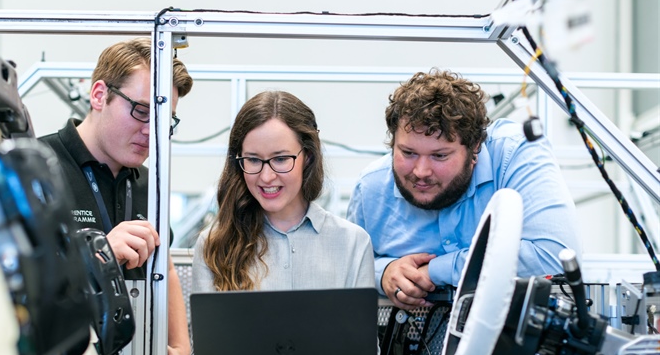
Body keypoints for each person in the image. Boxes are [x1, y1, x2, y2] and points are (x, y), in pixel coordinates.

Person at [347, 68, 581, 309]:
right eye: (408, 153)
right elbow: (348, 268)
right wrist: (384, 272)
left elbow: (554, 256)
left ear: (475, 146)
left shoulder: (515, 154)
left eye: (439, 156)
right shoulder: (371, 189)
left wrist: (434, 271)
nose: (421, 171)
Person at [40, 38, 192, 355]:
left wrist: (180, 348)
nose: (151, 131)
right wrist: (99, 256)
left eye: (164, 120)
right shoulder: (36, 169)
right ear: (99, 95)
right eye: (141, 111)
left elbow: (165, 267)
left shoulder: (150, 184)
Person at [192, 90, 374, 292]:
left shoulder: (353, 243)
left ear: (308, 157)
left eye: (280, 159)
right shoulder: (213, 246)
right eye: (253, 160)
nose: (266, 176)